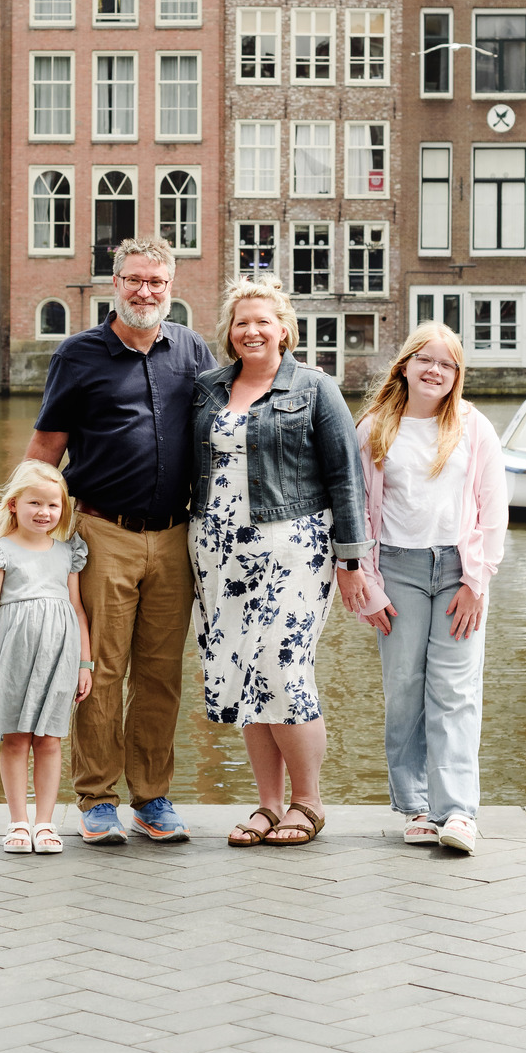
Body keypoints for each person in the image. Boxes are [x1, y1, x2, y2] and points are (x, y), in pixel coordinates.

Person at [25, 237, 215, 845]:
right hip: (103, 531)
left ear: (172, 286)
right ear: (115, 283)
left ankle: (152, 798)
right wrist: (25, 536)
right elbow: (45, 452)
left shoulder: (191, 349)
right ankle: (96, 797)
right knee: (99, 670)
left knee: (160, 674)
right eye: (135, 280)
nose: (146, 292)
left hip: (176, 536)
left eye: (157, 282)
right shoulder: (79, 354)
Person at [189, 277, 370, 848]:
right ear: (229, 333)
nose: (253, 331)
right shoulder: (208, 389)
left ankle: (308, 802)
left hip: (293, 545)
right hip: (218, 550)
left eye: (264, 320)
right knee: (245, 672)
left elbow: (346, 477)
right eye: (242, 322)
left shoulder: (315, 388)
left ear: (284, 329)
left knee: (285, 669)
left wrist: (352, 560)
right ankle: (267, 804)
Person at [352, 321, 508, 857]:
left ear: (457, 374)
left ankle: (457, 811)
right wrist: (364, 581)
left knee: (456, 691)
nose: (435, 370)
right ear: (405, 365)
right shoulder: (374, 428)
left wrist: (477, 580)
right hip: (398, 569)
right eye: (425, 359)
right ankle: (415, 806)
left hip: (457, 572)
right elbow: (356, 512)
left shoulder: (473, 427)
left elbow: (493, 509)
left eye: (447, 363)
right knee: (404, 688)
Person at [0, 461, 92, 855]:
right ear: (14, 504)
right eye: (35, 503)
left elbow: (78, 609)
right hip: (11, 657)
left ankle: (46, 824)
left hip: (59, 657)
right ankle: (18, 823)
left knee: (49, 739)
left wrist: (85, 664)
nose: (44, 512)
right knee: (16, 739)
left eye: (53, 506)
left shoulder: (68, 552)